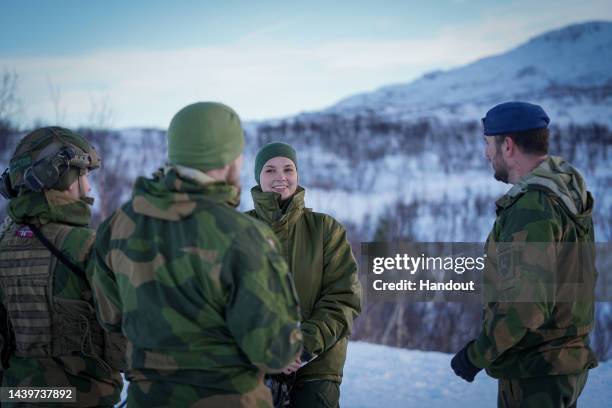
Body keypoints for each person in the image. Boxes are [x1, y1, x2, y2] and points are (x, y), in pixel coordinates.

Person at [87, 102, 303, 407]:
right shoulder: (244, 236)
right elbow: (275, 350)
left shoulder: (118, 225)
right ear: (230, 160)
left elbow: (110, 317)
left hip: (148, 398)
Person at [451, 102, 598, 407]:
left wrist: (476, 355)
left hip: (536, 372)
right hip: (559, 363)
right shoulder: (563, 188)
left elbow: (526, 307)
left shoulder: (532, 207)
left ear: (507, 145)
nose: (486, 154)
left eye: (488, 144)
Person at [0, 126, 125, 407]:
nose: (89, 186)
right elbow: (126, 345)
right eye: (84, 175)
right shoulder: (90, 247)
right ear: (61, 175)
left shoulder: (2, 243)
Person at [247, 142, 362, 408]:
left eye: (288, 169)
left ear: (297, 175)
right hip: (253, 369)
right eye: (270, 170)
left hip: (316, 369)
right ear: (258, 177)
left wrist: (302, 346)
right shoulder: (239, 230)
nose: (280, 177)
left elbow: (344, 297)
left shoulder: (326, 229)